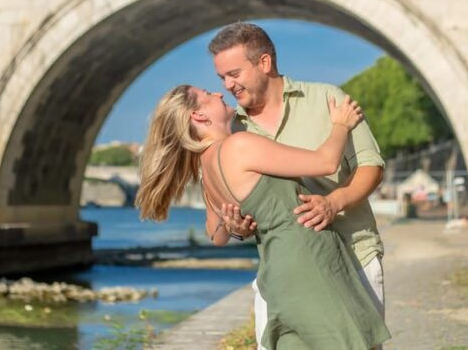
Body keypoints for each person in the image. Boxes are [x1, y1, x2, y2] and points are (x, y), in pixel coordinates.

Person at [136, 85, 390, 348]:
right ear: (199, 116)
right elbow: (325, 162)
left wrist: (237, 228)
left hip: (278, 268)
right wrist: (340, 125)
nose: (219, 94)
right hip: (307, 261)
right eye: (208, 94)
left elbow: (217, 236)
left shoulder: (207, 168)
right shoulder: (239, 145)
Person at [208, 22, 387, 349]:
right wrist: (238, 228)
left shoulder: (327, 99)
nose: (227, 85)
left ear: (264, 62)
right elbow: (226, 220)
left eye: (234, 73)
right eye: (221, 78)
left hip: (353, 252)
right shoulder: (233, 128)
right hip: (282, 275)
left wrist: (335, 201)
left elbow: (371, 166)